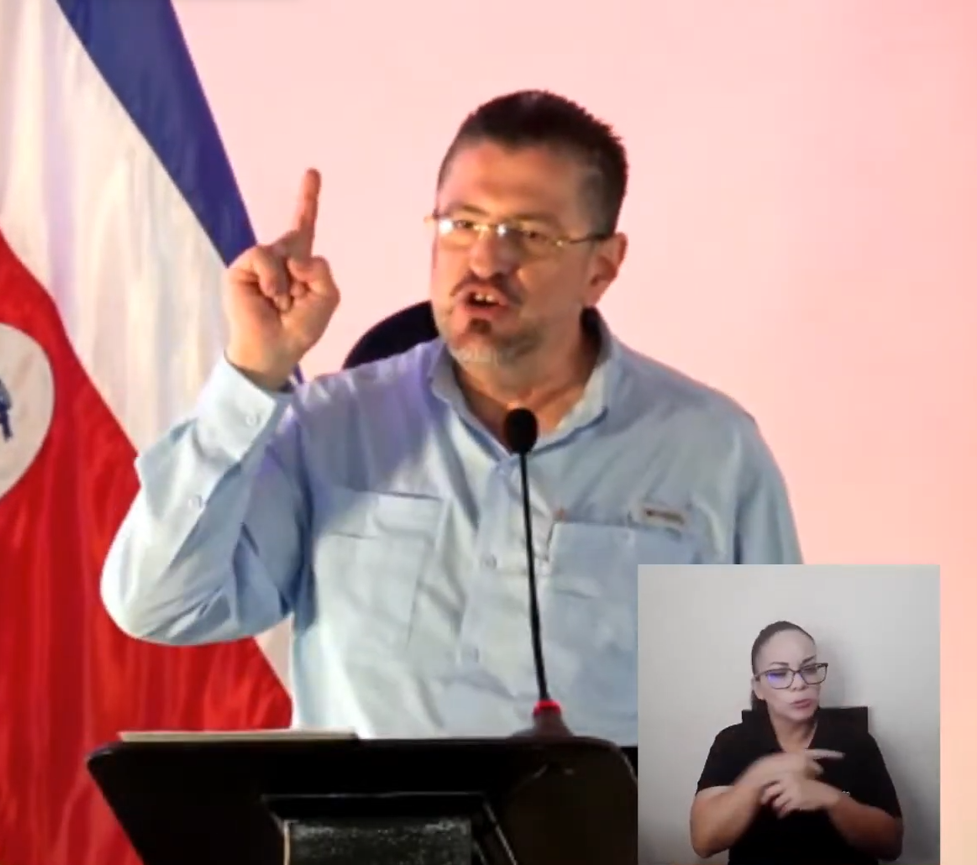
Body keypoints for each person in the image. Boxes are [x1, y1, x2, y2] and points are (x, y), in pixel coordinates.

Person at [99, 90, 803, 744]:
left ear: (602, 267)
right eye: (462, 224)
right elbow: (157, 604)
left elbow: (791, 725)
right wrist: (252, 374)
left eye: (530, 234)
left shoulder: (712, 450)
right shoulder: (334, 426)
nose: (485, 259)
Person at [688, 622, 903, 863]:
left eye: (809, 669)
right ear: (758, 688)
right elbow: (703, 842)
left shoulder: (855, 742)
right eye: (779, 673)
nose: (800, 683)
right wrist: (761, 774)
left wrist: (833, 800)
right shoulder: (732, 743)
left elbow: (891, 845)